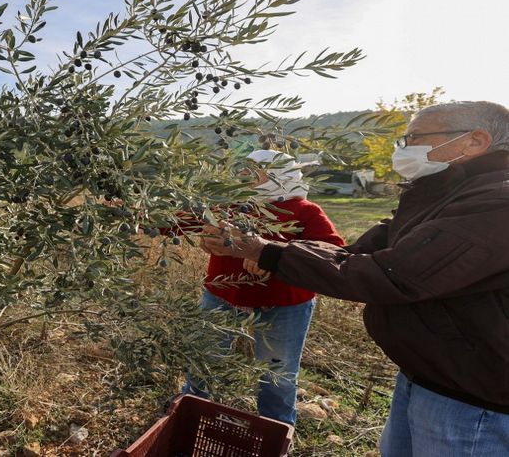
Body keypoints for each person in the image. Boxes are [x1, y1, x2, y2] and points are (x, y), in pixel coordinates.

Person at [200, 101, 509, 456]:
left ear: (475, 141)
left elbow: (392, 274)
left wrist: (267, 252)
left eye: (416, 138)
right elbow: (354, 254)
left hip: (471, 398)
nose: (405, 148)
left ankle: (275, 435)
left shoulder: (496, 202)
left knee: (277, 376)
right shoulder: (439, 195)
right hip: (431, 375)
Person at [181, 149, 345, 426]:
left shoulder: (304, 210)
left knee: (277, 375)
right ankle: (189, 414)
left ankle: (276, 428)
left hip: (284, 306)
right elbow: (179, 221)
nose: (242, 177)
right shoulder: (228, 203)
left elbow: (334, 252)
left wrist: (275, 254)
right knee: (204, 359)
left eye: (251, 172)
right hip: (222, 297)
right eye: (241, 171)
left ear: (277, 175)